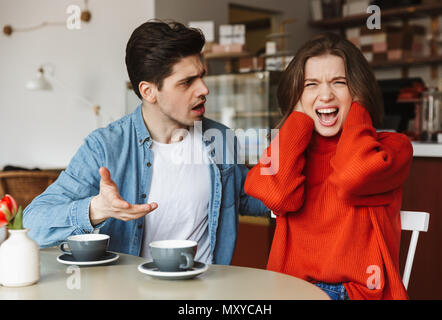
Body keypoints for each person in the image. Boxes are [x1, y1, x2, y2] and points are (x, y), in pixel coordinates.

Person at [23, 20, 268, 265]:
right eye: (187, 82)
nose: (203, 89)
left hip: (205, 293)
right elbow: (34, 225)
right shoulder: (105, 147)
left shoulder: (220, 138)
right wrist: (98, 208)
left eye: (202, 77)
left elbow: (245, 197)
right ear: (148, 91)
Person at [244, 32, 413, 300]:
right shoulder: (294, 152)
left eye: (340, 83)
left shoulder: (391, 148)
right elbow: (277, 196)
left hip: (357, 293)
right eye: (311, 84)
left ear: (359, 90)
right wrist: (298, 118)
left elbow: (352, 178)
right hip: (293, 289)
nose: (325, 95)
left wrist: (357, 108)